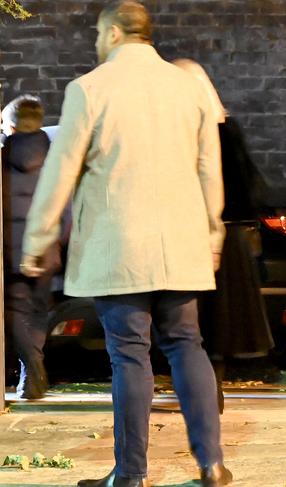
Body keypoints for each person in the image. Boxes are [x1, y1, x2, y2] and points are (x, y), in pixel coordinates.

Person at [20, 2, 231, 486]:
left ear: (114, 33)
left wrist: (38, 236)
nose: (96, 42)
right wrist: (212, 230)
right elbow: (208, 168)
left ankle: (131, 474)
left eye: (98, 34)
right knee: (187, 346)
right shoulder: (188, 89)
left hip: (119, 249)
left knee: (129, 355)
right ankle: (211, 464)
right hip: (180, 245)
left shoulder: (90, 89)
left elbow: (61, 170)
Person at [172, 59, 275, 415]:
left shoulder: (189, 131)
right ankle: (211, 392)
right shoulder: (228, 128)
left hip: (199, 233)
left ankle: (203, 394)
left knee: (194, 322)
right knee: (219, 325)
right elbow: (250, 188)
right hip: (230, 237)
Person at [2, 98, 57, 400]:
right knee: (38, 310)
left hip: (13, 246)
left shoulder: (3, 155)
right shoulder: (56, 157)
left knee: (14, 310)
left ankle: (32, 368)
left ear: (9, 125)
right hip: (47, 246)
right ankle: (31, 377)